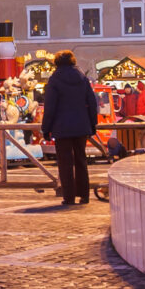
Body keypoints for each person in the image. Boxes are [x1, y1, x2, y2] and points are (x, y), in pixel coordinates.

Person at [40, 50, 100, 207]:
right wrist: (92, 124)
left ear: (57, 62)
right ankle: (84, 195)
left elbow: (50, 107)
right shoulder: (82, 78)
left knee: (65, 163)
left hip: (62, 128)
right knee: (81, 160)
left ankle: (69, 197)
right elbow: (92, 103)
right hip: (81, 126)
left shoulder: (54, 79)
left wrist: (46, 129)